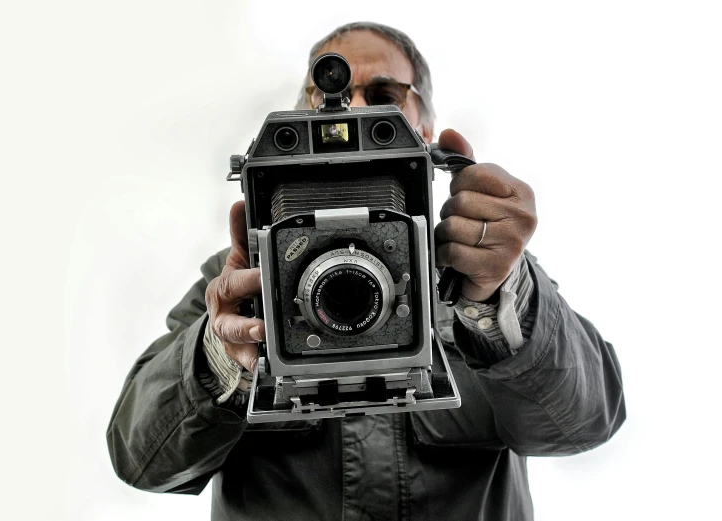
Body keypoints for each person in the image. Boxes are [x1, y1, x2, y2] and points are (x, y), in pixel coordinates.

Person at [107, 22, 625, 521]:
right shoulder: (234, 286)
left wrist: (499, 300)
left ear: (427, 131)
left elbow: (583, 424)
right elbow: (141, 461)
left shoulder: (481, 276)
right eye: (325, 94)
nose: (350, 109)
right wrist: (220, 357)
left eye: (383, 97)